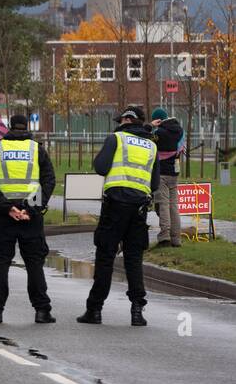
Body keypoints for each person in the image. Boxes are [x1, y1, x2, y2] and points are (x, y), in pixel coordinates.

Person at [78, 106, 159, 327]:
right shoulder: (152, 146)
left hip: (115, 206)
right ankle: (137, 311)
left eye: (121, 119)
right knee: (134, 259)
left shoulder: (116, 139)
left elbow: (101, 168)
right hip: (139, 208)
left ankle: (94, 310)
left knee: (105, 257)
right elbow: (154, 184)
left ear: (127, 119)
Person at [0, 113, 57, 324]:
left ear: (10, 127)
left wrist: (7, 208)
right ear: (27, 127)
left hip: (4, 216)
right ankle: (42, 311)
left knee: (1, 265)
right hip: (30, 216)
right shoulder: (37, 150)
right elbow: (48, 181)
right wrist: (31, 209)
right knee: (34, 264)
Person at [150, 107, 184, 248]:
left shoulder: (159, 133)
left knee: (163, 205)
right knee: (174, 206)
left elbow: (147, 139)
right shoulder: (180, 131)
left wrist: (151, 127)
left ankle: (164, 237)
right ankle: (176, 239)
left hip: (162, 173)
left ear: (158, 120)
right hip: (174, 173)